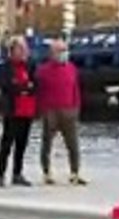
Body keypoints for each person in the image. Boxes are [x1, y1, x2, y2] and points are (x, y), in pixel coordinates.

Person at [36, 39, 87, 186]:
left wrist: (76, 107)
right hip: (50, 111)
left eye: (65, 50)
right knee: (47, 144)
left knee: (73, 144)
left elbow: (75, 89)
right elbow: (39, 92)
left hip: (69, 110)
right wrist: (42, 110)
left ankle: (75, 173)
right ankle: (46, 173)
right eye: (60, 50)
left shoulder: (72, 68)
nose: (63, 53)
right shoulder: (43, 71)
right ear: (52, 53)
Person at [0, 37, 37, 187]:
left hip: (27, 109)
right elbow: (7, 87)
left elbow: (35, 84)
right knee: (7, 143)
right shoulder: (6, 67)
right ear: (12, 51)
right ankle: (0, 174)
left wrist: (24, 88)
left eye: (24, 49)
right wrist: (23, 88)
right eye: (20, 49)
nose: (23, 52)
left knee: (22, 144)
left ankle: (17, 174)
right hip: (12, 110)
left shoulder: (30, 66)